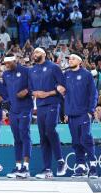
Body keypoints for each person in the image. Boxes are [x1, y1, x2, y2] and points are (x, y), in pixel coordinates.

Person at [28, 48, 67, 179]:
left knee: (50, 130)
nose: (35, 55)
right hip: (40, 106)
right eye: (34, 53)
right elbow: (30, 89)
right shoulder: (32, 70)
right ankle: (47, 169)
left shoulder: (53, 67)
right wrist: (35, 93)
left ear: (44, 54)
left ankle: (61, 161)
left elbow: (63, 86)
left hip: (52, 103)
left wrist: (48, 93)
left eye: (37, 52)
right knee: (43, 137)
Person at [63, 53, 98, 179]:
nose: (70, 60)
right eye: (69, 59)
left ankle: (93, 166)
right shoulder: (66, 74)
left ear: (79, 61)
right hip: (71, 114)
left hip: (84, 113)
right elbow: (62, 91)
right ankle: (81, 166)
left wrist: (90, 111)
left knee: (86, 139)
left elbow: (93, 94)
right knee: (76, 142)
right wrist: (66, 112)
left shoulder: (87, 75)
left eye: (72, 58)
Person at [2, 55, 33, 178]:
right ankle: (18, 166)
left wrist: (27, 91)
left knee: (25, 135)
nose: (7, 65)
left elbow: (33, 85)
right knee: (17, 138)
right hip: (13, 110)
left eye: (9, 63)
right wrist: (2, 98)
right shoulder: (5, 75)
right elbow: (5, 91)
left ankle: (26, 167)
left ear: (15, 61)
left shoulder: (26, 71)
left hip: (25, 107)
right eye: (5, 64)